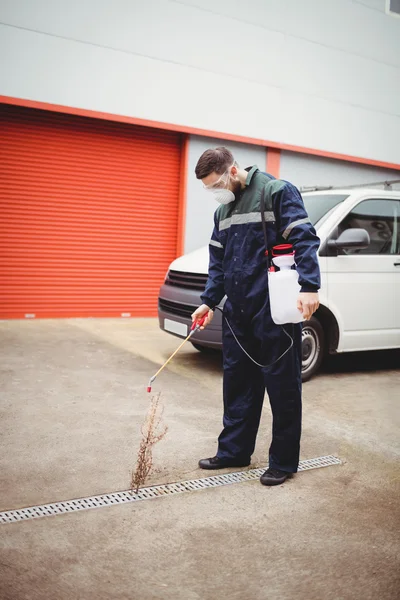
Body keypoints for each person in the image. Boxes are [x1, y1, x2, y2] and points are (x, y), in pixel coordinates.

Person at [192, 147, 320, 486]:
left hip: (273, 307)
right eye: (208, 188)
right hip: (237, 311)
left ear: (233, 171)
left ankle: (282, 461)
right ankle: (234, 451)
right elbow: (217, 261)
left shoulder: (276, 192)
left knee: (282, 386)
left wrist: (310, 286)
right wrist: (208, 301)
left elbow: (304, 238)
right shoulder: (223, 211)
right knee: (237, 384)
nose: (214, 191)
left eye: (216, 183)